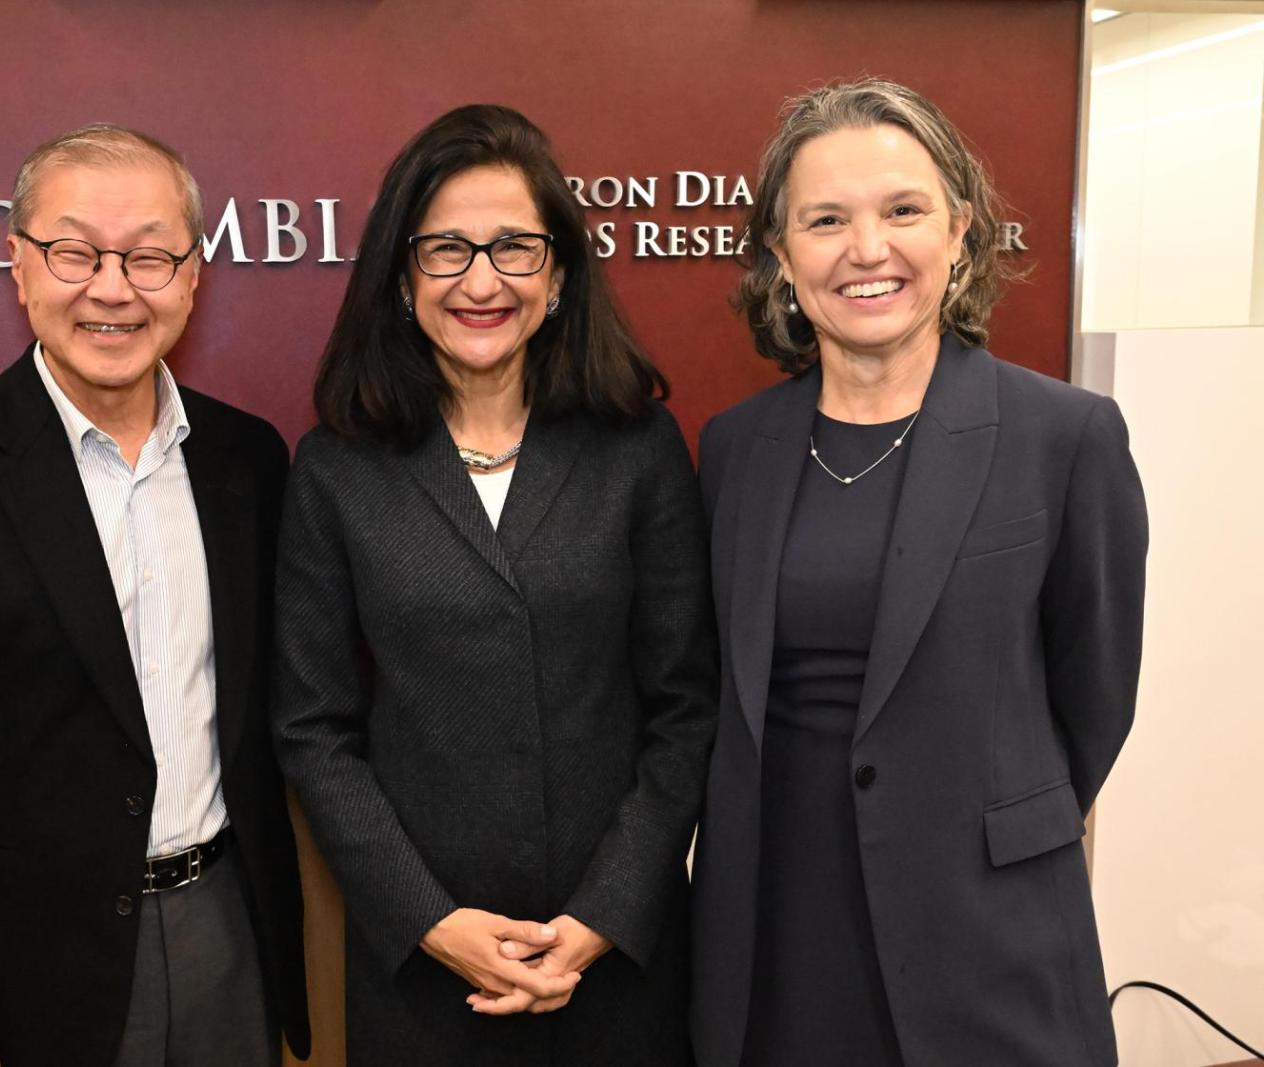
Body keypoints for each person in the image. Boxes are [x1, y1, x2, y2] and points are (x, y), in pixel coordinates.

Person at [690, 79, 1148, 1066]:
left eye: (902, 210)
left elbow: (1094, 697)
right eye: (824, 220)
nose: (867, 249)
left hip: (986, 938)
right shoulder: (735, 448)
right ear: (780, 254)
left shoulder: (1063, 437)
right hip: (772, 942)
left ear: (960, 232)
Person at [0, 124, 309, 1067]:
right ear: (18, 263)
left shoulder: (248, 459)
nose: (113, 287)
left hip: (229, 925)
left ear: (193, 274)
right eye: (76, 250)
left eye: (150, 255)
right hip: (33, 960)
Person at [270, 104, 717, 1066]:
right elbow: (313, 727)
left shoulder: (637, 450)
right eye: (446, 250)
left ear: (557, 274)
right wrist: (429, 919)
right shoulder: (336, 468)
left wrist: (605, 911)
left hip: (613, 964)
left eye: (514, 247)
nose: (482, 280)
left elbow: (687, 705)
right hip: (426, 975)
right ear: (401, 276)